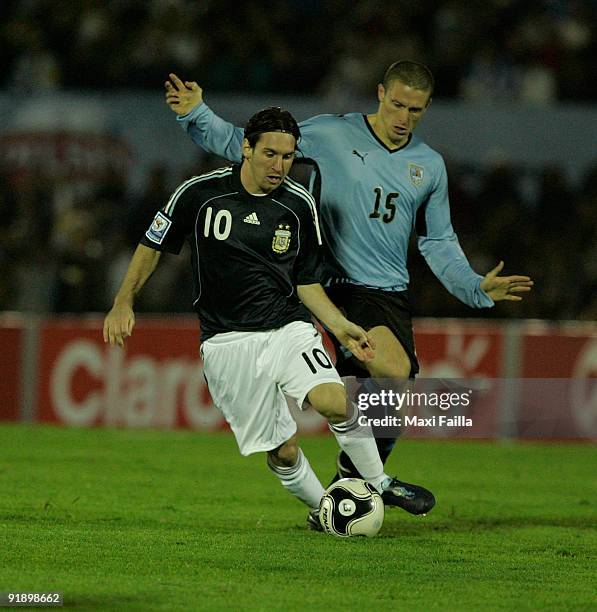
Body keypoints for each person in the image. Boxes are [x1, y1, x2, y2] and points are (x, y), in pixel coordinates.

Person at [164, 61, 533, 514]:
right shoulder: (330, 134)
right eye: (397, 104)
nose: (403, 118)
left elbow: (437, 240)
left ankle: (348, 485)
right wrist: (196, 113)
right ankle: (367, 485)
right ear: (380, 93)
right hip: (318, 281)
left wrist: (474, 286)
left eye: (415, 111)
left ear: (427, 109)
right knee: (391, 371)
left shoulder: (429, 166)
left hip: (382, 292)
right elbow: (248, 145)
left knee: (392, 402)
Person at [103, 107, 435, 530]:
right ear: (247, 148)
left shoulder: (299, 205)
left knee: (334, 401)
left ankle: (379, 480)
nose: (280, 165)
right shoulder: (199, 194)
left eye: (288, 156)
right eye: (271, 154)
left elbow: (306, 282)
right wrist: (123, 301)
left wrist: (340, 327)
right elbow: (153, 245)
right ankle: (326, 511)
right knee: (282, 451)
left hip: (287, 328)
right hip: (226, 343)